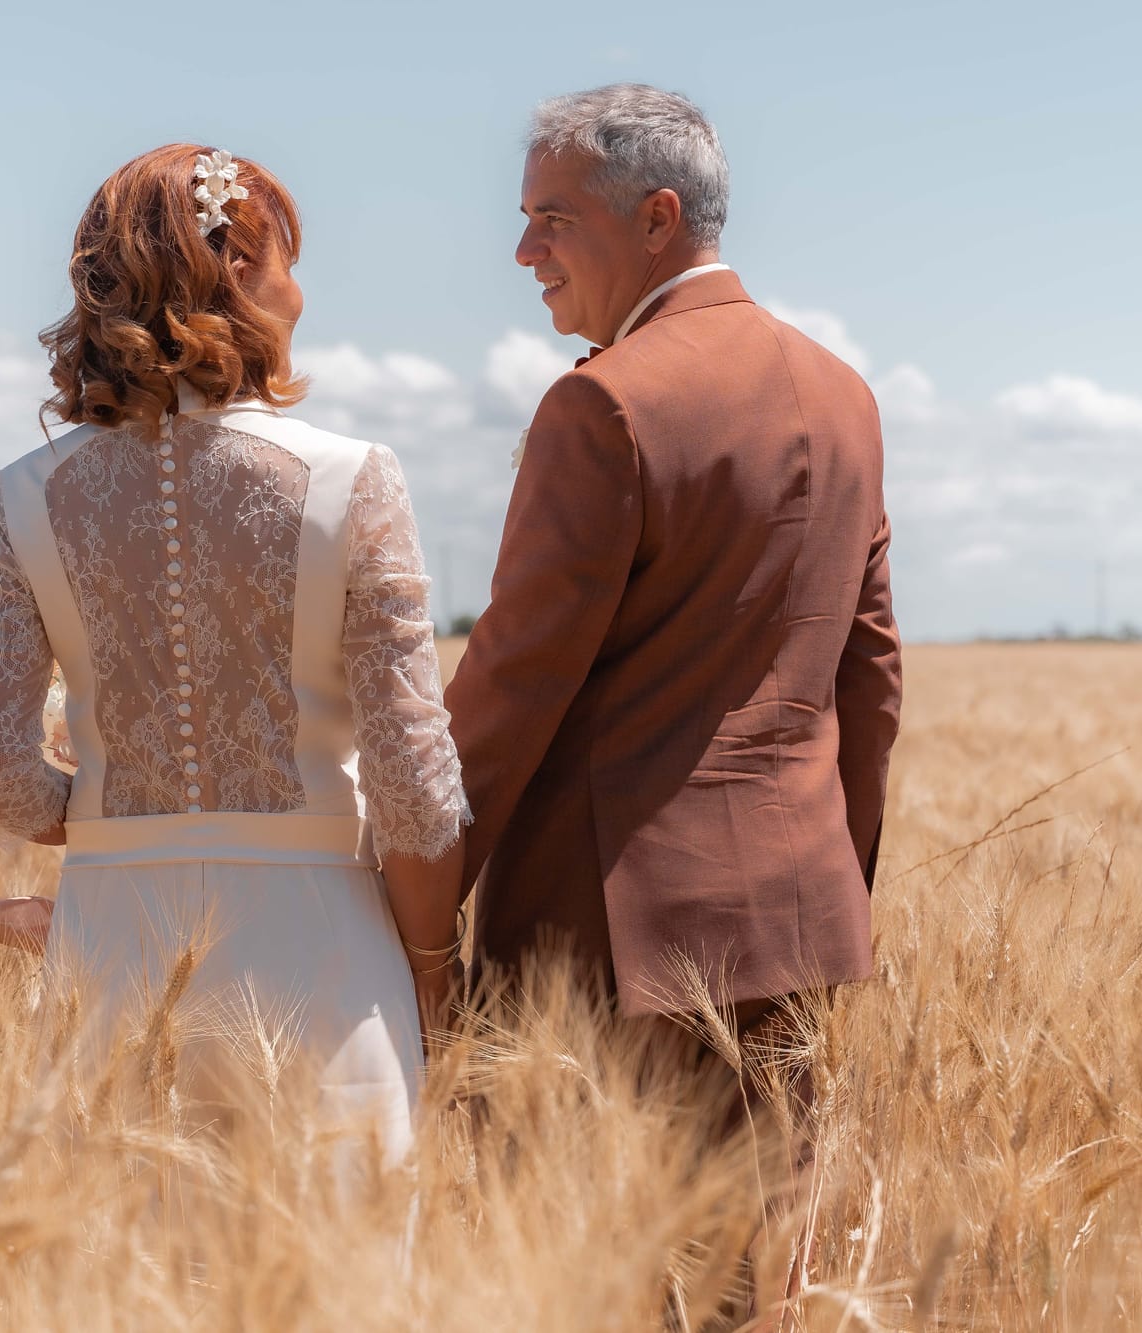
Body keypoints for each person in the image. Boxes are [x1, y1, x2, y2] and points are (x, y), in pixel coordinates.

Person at [444, 84, 904, 1310]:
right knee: (748, 1291)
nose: (522, 250)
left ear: (655, 218)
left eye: (549, 219)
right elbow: (868, 682)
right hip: (795, 938)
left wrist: (411, 895)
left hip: (603, 948)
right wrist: (827, 882)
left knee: (589, 1288)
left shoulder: (605, 401)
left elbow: (509, 685)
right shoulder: (841, 393)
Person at [0, 145, 467, 1164]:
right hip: (324, 955)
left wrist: (111, 809)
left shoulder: (21, 495)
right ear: (233, 270)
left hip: (110, 946)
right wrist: (434, 973)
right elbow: (415, 792)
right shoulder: (354, 479)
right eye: (284, 261)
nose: (298, 289)